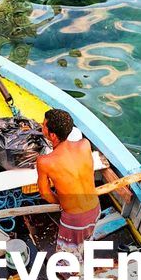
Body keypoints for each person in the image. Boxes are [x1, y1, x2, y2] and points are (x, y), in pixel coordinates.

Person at [36, 108, 100, 263]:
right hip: (95, 209)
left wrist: (62, 201)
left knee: (67, 256)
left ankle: (70, 277)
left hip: (75, 221)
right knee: (85, 241)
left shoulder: (44, 161)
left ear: (52, 135)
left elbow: (45, 193)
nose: (41, 126)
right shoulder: (85, 144)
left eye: (44, 125)